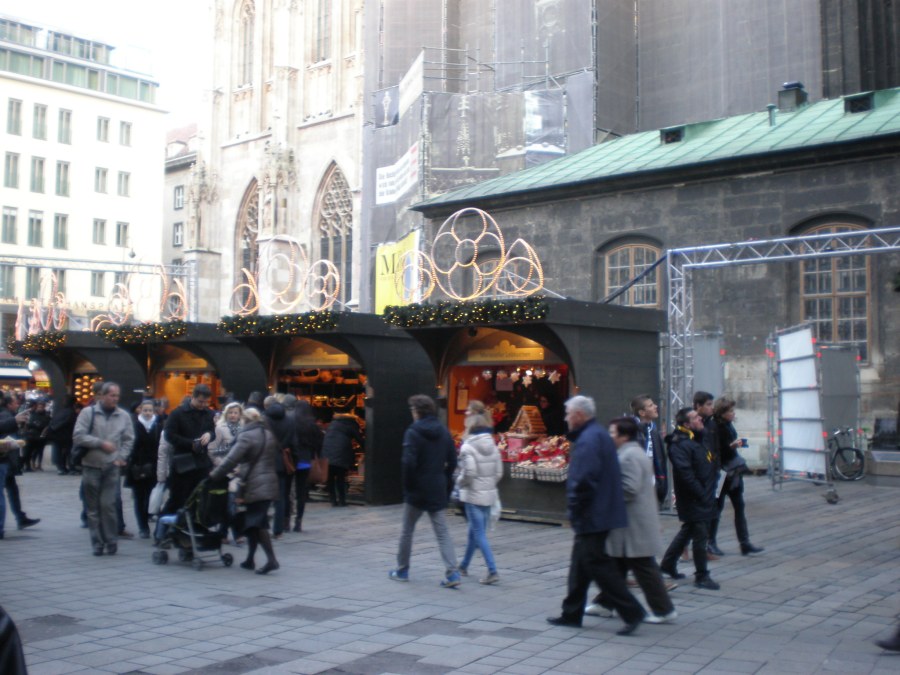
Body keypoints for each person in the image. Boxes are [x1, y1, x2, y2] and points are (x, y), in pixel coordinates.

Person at [546, 395, 646, 635]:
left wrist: (575, 510)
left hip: (593, 513)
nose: (566, 418)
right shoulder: (597, 434)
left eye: (568, 414)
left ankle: (632, 611)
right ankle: (571, 613)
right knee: (580, 566)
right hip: (599, 511)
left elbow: (583, 480)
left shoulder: (589, 440)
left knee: (598, 566)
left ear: (579, 415)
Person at [586, 417, 677, 623]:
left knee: (644, 568)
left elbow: (629, 488)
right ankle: (604, 603)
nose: (610, 437)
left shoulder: (629, 456)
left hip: (634, 524)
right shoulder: (629, 453)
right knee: (618, 564)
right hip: (630, 524)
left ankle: (664, 609)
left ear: (624, 436)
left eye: (612, 433)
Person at [389, 394, 461, 588]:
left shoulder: (413, 432)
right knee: (442, 532)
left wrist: (408, 486)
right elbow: (453, 461)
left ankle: (402, 570)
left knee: (407, 531)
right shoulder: (444, 431)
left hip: (417, 488)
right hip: (436, 486)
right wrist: (445, 481)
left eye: (412, 410)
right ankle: (452, 573)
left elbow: (408, 462)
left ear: (417, 412)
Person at [209, 406, 279, 574]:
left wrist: (214, 475)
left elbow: (231, 459)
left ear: (245, 420)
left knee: (257, 523)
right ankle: (250, 559)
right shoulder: (268, 433)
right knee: (252, 524)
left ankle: (271, 560)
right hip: (268, 482)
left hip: (254, 485)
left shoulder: (247, 436)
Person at [659, 407, 720, 589]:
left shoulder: (697, 438)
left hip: (704, 493)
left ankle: (668, 565)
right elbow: (685, 473)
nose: (700, 419)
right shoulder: (680, 444)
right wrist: (700, 493)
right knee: (700, 534)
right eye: (695, 417)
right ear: (686, 424)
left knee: (689, 530)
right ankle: (702, 575)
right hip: (694, 497)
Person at [73, 382, 134, 556]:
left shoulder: (123, 416)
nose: (115, 399)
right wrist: (100, 443)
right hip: (91, 466)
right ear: (102, 396)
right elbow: (78, 436)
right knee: (92, 508)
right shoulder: (88, 413)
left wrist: (122, 457)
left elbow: (129, 438)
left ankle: (111, 540)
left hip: (111, 467)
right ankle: (97, 543)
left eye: (117, 396)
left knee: (108, 505)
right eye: (111, 395)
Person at [707, 397, 764, 556]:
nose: (733, 413)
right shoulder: (715, 426)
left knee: (739, 505)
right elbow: (716, 450)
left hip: (733, 470)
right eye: (730, 411)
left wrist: (735, 445)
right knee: (716, 507)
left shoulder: (728, 425)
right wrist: (731, 446)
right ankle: (710, 542)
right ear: (722, 412)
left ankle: (744, 542)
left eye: (733, 410)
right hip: (721, 471)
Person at [456, 400, 503, 585]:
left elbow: (469, 473)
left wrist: (459, 482)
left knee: (479, 533)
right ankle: (464, 566)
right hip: (488, 494)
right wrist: (489, 484)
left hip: (473, 494)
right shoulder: (493, 445)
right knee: (474, 532)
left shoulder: (467, 447)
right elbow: (499, 472)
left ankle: (492, 570)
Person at [163, 384, 216, 512]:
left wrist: (210, 435)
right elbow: (169, 435)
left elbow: (212, 431)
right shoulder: (177, 413)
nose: (203, 405)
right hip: (183, 462)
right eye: (200, 401)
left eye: (206, 402)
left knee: (198, 497)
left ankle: (191, 526)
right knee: (178, 498)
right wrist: (190, 443)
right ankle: (165, 528)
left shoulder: (209, 413)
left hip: (201, 462)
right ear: (193, 397)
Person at [0, 394, 40, 531]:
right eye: (15, 402)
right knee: (7, 491)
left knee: (11, 489)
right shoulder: (6, 415)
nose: (17, 405)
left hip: (5, 459)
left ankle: (20, 517)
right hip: (5, 459)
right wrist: (15, 421)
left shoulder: (6, 414)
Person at [127, 400, 161, 539]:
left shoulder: (158, 426)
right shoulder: (134, 425)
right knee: (139, 497)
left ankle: (148, 516)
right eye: (145, 410)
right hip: (137, 467)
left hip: (153, 467)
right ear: (140, 410)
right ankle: (143, 526)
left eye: (150, 410)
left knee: (150, 496)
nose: (147, 413)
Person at [263, 395, 294, 537]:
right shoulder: (289, 420)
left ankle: (261, 527)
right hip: (282, 461)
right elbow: (293, 441)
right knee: (281, 496)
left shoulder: (264, 420)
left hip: (266, 461)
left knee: (263, 495)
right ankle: (278, 529)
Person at [321, 408, 363, 507]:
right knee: (341, 478)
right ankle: (342, 501)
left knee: (330, 478)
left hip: (327, 454)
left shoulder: (332, 424)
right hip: (341, 454)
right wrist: (366, 448)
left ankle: (333, 500)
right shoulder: (351, 424)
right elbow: (359, 439)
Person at [631, 394, 668, 507]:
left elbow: (660, 459)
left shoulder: (653, 429)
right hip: (638, 484)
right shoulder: (632, 431)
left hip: (653, 482)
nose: (655, 407)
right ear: (642, 412)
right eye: (651, 405)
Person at [292, 400, 323, 532]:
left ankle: (286, 519)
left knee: (288, 489)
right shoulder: (312, 425)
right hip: (305, 460)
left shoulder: (291, 422)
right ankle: (298, 520)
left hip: (292, 459)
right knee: (301, 491)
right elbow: (319, 442)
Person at [46, 395, 77, 475]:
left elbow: (55, 421)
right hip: (65, 435)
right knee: (66, 452)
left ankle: (62, 467)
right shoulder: (71, 412)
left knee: (61, 452)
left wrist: (52, 428)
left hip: (59, 435)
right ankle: (65, 467)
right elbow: (65, 422)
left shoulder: (61, 412)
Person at [23, 398, 50, 471]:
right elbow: (28, 424)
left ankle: (39, 464)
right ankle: (32, 464)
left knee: (40, 451)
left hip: (41, 436)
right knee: (32, 451)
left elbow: (47, 425)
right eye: (39, 407)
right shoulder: (33, 414)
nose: (40, 408)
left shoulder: (46, 415)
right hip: (32, 436)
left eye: (41, 407)